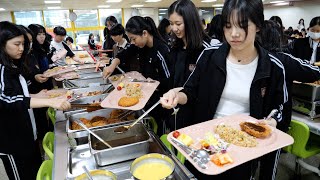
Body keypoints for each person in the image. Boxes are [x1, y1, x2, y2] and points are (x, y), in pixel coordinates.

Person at [160, 0, 299, 178]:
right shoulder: (210, 56)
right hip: (205, 142)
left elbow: (280, 110)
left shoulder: (272, 66)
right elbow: (190, 92)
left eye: (242, 26)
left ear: (258, 26)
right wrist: (176, 96)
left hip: (242, 148)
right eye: (228, 26)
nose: (234, 34)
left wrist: (272, 121)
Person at [0, 21, 71, 180]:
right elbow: (6, 99)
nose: (22, 48)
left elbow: (18, 95)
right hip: (13, 142)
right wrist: (50, 102)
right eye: (17, 44)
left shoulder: (12, 65)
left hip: (26, 135)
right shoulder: (1, 69)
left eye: (23, 44)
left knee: (34, 171)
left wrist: (39, 96)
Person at [259, 19, 320, 180]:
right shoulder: (283, 59)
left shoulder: (253, 59)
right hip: (275, 120)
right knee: (269, 163)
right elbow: (314, 71)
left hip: (254, 116)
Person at [103, 16, 171, 134]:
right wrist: (112, 65)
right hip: (147, 97)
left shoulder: (161, 51)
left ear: (144, 33)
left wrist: (152, 83)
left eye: (133, 39)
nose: (132, 42)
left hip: (161, 102)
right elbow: (124, 54)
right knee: (150, 127)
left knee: (160, 131)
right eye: (130, 39)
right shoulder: (140, 46)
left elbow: (170, 81)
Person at [166, 0, 214, 131]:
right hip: (176, 111)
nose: (174, 28)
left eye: (178, 24)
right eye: (171, 24)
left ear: (190, 21)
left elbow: (204, 89)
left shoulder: (207, 49)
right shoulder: (176, 47)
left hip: (197, 118)